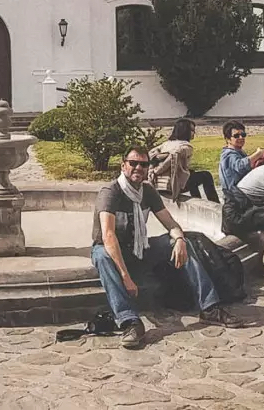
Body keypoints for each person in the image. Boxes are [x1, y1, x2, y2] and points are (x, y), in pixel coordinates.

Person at [91, 147, 246, 348]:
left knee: (183, 242)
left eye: (144, 164)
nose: (138, 168)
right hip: (112, 251)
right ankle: (130, 321)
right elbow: (108, 236)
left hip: (139, 248)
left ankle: (210, 308)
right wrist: (125, 276)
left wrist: (180, 240)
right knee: (102, 255)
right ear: (123, 166)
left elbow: (171, 224)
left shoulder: (147, 191)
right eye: (133, 163)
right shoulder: (111, 192)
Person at [148, 119, 218, 203]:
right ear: (185, 131)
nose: (194, 133)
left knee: (191, 173)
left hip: (159, 184)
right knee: (206, 176)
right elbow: (175, 157)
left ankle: (197, 198)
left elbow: (150, 153)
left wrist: (155, 170)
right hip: (173, 185)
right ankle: (215, 203)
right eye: (191, 130)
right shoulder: (186, 147)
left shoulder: (166, 144)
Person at [218, 120, 264, 195]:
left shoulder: (238, 151)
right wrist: (258, 154)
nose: (241, 137)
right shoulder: (228, 154)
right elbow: (241, 166)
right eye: (236, 136)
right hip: (234, 196)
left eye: (243, 135)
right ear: (228, 139)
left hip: (242, 192)